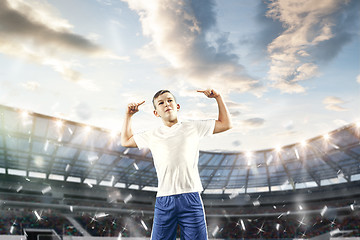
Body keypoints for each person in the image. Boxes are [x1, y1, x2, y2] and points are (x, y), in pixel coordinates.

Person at [121, 89, 232, 240]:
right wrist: (128, 116)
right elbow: (126, 141)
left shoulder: (193, 127)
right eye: (161, 103)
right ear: (156, 113)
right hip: (164, 199)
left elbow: (225, 124)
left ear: (177, 106)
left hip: (191, 197)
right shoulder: (152, 135)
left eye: (169, 100)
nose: (166, 104)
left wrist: (218, 97)